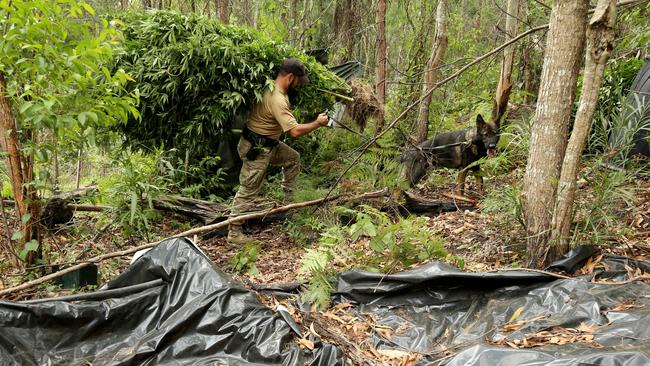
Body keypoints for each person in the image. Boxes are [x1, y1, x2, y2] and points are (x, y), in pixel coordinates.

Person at [227, 58, 329, 246]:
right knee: (248, 189)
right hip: (257, 149)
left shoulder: (270, 86)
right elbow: (295, 132)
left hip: (268, 144)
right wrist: (317, 123)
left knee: (292, 158)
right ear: (290, 77)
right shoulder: (278, 99)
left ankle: (288, 204)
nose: (300, 84)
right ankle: (234, 233)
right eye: (299, 80)